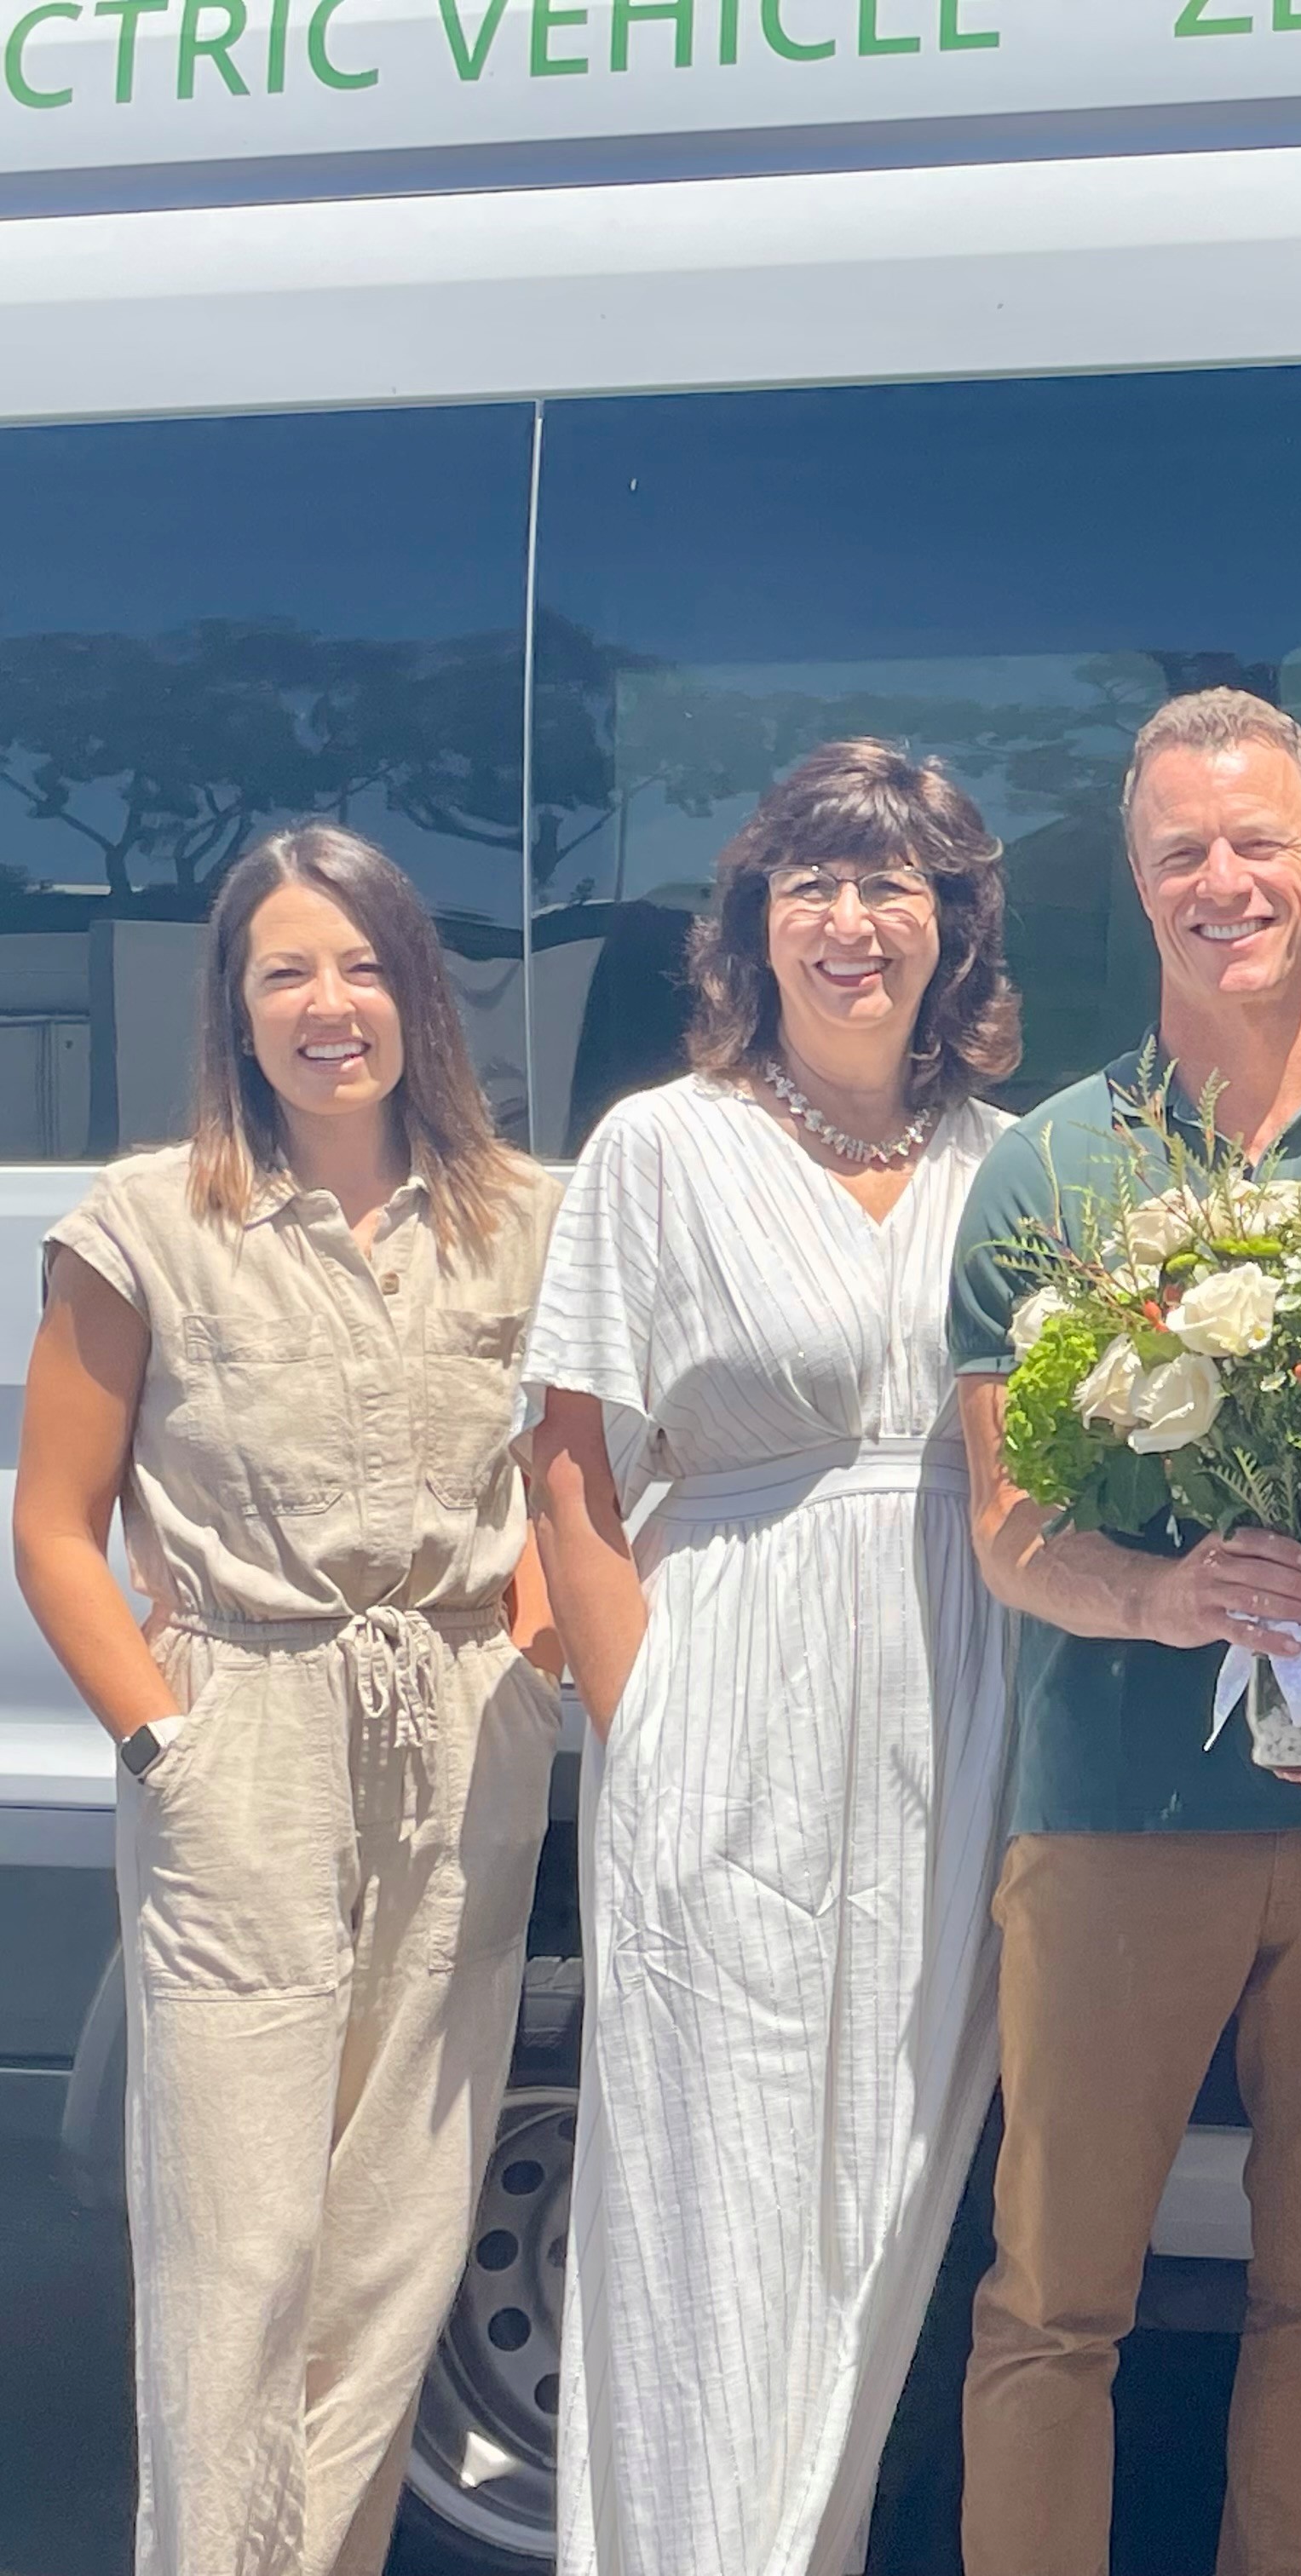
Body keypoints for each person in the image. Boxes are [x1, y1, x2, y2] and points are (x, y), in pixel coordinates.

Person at [947, 687, 1301, 2576]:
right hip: (1117, 1814)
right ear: (1139, 883)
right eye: (1183, 852)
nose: (1226, 882)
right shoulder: (1051, 1170)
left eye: (1259, 842)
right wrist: (1162, 1598)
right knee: (1057, 2297)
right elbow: (1007, 1527)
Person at [11, 825, 562, 2576]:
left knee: (400, 2237)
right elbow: (53, 1523)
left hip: (462, 1727)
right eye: (286, 973)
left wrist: (533, 1668)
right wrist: (161, 1737)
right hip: (242, 1725)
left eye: (365, 965)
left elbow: (583, 1479)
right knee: (237, 2249)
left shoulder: (526, 1221)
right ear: (236, 1011)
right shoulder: (147, 1224)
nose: (332, 1005)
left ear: (421, 993)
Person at [519, 740, 1023, 2576]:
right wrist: (645, 1727)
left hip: (956, 1720)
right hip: (725, 1707)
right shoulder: (662, 1147)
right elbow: (569, 1471)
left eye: (893, 883)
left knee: (895, 2199)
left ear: (951, 928)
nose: (851, 920)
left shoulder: (1009, 1167)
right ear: (755, 922)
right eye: (812, 882)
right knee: (706, 2196)